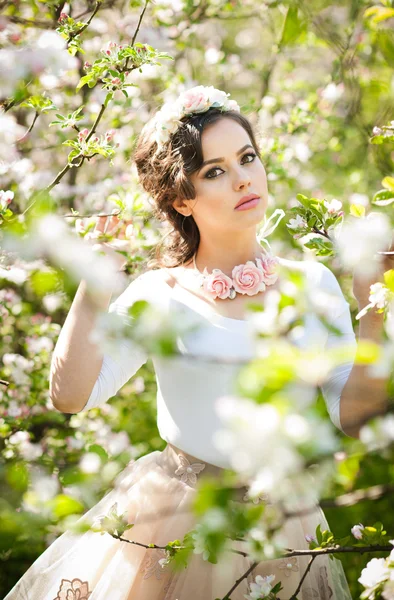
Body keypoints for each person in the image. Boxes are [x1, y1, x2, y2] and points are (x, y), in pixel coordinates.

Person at [4, 85, 389, 600]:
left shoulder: (312, 283)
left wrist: (377, 309)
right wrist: (96, 282)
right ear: (182, 198)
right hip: (174, 523)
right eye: (215, 171)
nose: (243, 178)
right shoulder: (157, 293)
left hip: (282, 525)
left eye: (247, 158)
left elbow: (354, 416)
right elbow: (70, 396)